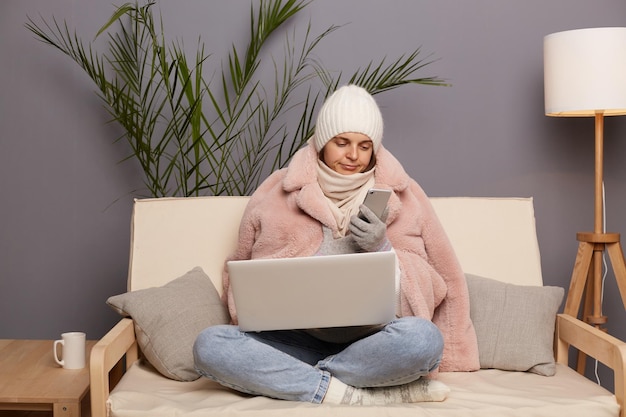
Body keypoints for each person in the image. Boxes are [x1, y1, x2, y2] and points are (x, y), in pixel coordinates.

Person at [193, 85, 479, 405]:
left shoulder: (406, 196)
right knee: (210, 345)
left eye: (364, 145)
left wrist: (382, 249)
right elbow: (241, 275)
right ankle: (352, 391)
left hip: (373, 345)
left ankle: (300, 381)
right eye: (341, 142)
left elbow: (440, 278)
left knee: (424, 340)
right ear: (321, 143)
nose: (353, 155)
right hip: (291, 342)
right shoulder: (275, 192)